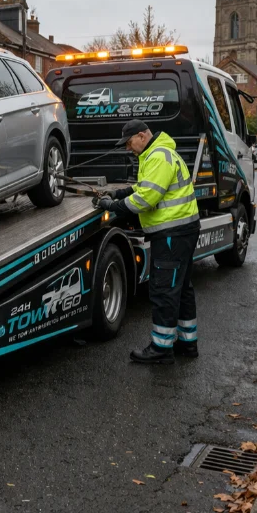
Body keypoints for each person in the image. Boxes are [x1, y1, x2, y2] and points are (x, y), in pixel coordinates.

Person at [95, 119, 200, 365]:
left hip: (173, 233)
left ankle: (161, 349)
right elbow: (143, 188)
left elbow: (146, 199)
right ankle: (187, 342)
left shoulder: (158, 157)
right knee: (181, 289)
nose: (128, 149)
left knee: (164, 290)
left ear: (142, 136)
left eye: (129, 142)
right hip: (180, 231)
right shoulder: (157, 153)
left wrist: (114, 207)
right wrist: (118, 193)